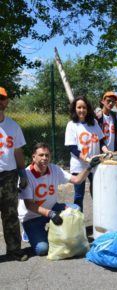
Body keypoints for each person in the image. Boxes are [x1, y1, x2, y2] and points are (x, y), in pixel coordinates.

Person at [18, 143, 101, 256]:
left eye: (47, 155)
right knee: (42, 249)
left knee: (75, 209)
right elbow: (29, 205)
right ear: (34, 157)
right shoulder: (27, 175)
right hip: (32, 217)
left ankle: (50, 232)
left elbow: (77, 180)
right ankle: (29, 233)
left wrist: (89, 166)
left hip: (52, 208)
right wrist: (50, 214)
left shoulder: (54, 169)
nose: (44, 158)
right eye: (41, 155)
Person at [65, 96, 109, 211]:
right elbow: (72, 148)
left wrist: (107, 151)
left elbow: (101, 141)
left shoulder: (93, 123)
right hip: (79, 167)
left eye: (84, 107)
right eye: (79, 107)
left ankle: (101, 218)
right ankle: (79, 223)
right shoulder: (71, 125)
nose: (81, 110)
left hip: (94, 164)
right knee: (79, 196)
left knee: (97, 193)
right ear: (74, 109)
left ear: (88, 109)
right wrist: (84, 158)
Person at [0, 87, 28, 261]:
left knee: (10, 215)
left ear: (6, 102)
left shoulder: (13, 126)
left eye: (2, 99)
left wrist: (22, 172)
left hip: (8, 177)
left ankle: (14, 250)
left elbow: (17, 151)